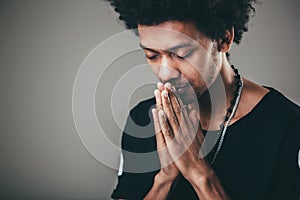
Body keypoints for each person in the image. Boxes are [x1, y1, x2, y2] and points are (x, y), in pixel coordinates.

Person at [106, 0, 300, 199]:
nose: (165, 73)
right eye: (152, 55)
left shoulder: (288, 127)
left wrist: (200, 175)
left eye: (181, 54)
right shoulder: (141, 118)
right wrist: (165, 179)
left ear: (224, 38)